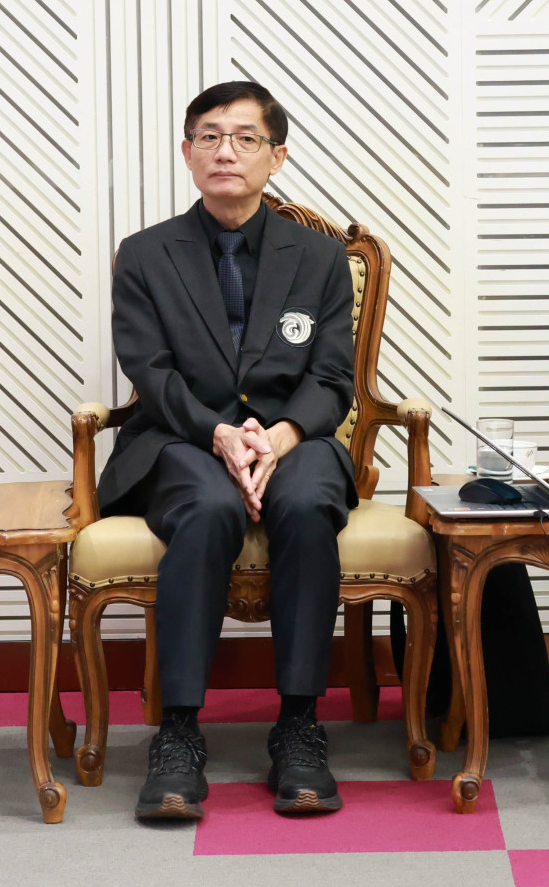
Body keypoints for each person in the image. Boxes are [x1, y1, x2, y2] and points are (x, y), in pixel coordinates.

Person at [101, 81, 356, 821]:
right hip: (181, 436)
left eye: (246, 138)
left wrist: (277, 437)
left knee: (307, 502)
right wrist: (217, 433)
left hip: (292, 437)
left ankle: (299, 725)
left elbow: (332, 377)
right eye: (209, 137)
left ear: (278, 156)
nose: (226, 151)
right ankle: (179, 731)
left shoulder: (320, 258)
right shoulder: (145, 255)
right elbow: (150, 371)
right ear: (187, 153)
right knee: (209, 506)